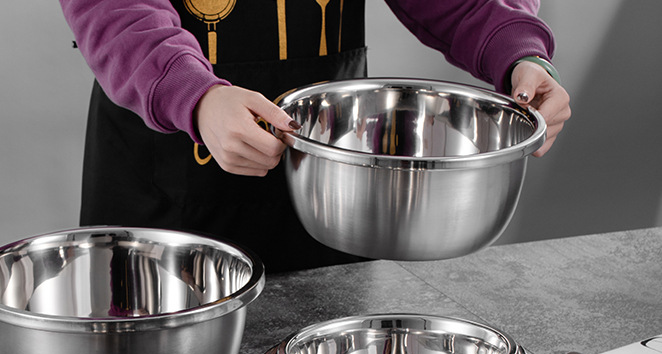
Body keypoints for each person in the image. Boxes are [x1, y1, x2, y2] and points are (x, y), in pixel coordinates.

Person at [59, 0, 571, 272]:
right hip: (168, 197)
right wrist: (194, 96)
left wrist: (518, 52)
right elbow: (113, 9)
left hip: (333, 200)